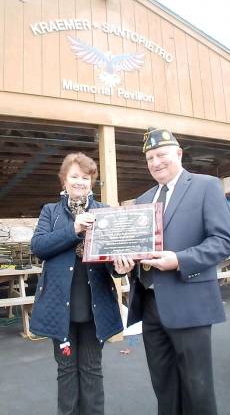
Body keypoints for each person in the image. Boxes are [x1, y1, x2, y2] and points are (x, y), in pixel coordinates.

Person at [114, 128, 230, 415]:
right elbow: (133, 247)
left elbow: (224, 241)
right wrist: (122, 264)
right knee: (164, 386)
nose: (156, 162)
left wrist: (179, 260)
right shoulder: (143, 201)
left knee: (198, 388)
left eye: (161, 155)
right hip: (150, 305)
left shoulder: (205, 186)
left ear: (178, 154)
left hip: (189, 302)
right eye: (150, 158)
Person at [30, 152, 123, 415]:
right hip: (59, 309)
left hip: (96, 308)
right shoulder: (51, 212)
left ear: (92, 181)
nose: (80, 181)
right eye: (74, 176)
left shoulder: (104, 212)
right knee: (66, 370)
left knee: (92, 370)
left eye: (85, 177)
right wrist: (74, 230)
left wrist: (120, 268)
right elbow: (39, 247)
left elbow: (113, 260)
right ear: (64, 181)